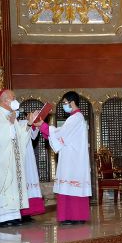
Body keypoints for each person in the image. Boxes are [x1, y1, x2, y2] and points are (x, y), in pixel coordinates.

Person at [35, 91, 91, 225]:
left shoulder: (76, 118)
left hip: (73, 160)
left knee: (71, 185)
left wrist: (43, 125)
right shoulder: (75, 118)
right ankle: (72, 216)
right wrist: (44, 129)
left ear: (72, 102)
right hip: (71, 158)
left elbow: (61, 134)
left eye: (65, 103)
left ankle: (75, 216)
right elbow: (60, 136)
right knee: (69, 186)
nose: (64, 106)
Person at [0, 90, 29, 228]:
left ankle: (13, 216)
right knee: (3, 185)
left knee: (13, 186)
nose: (15, 100)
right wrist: (9, 124)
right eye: (13, 98)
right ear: (5, 100)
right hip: (1, 160)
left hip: (12, 159)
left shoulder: (11, 116)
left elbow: (19, 136)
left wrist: (29, 125)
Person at [18, 108, 46, 222]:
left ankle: (28, 213)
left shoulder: (25, 123)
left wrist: (35, 119)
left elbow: (33, 135)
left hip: (28, 157)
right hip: (20, 158)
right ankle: (20, 213)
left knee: (30, 181)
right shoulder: (13, 124)